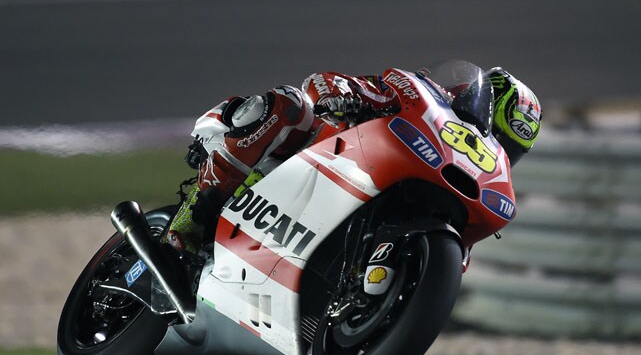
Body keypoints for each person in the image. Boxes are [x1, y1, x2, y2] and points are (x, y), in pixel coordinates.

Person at [165, 67, 542, 254]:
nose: (490, 145)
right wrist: (345, 97)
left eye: (508, 148)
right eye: (495, 132)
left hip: (324, 221)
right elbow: (323, 82)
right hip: (308, 164)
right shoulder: (423, 98)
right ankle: (196, 210)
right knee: (291, 105)